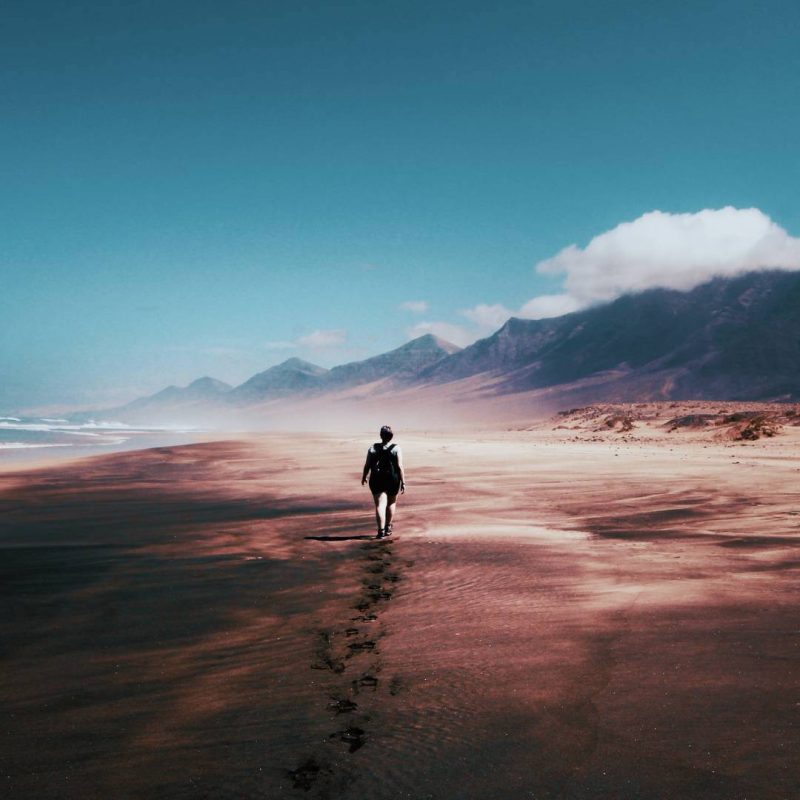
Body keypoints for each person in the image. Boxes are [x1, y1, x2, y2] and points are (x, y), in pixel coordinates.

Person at [361, 425, 405, 538]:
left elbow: (367, 465)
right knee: (391, 503)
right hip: (392, 479)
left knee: (380, 505)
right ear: (391, 436)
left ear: (381, 435)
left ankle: (381, 531)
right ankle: (388, 527)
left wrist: (364, 476)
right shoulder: (396, 448)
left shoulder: (373, 448)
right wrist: (403, 482)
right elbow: (400, 466)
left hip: (377, 479)